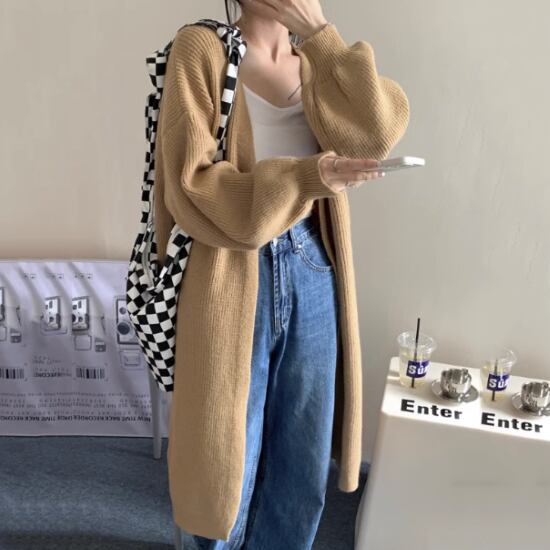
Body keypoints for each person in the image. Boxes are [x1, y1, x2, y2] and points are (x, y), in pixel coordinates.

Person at [154, 0, 410, 548]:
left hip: (313, 263)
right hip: (227, 271)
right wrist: (308, 176)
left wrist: (319, 33)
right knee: (226, 461)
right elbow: (191, 186)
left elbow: (377, 136)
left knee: (302, 460)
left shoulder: (317, 62)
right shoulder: (202, 49)